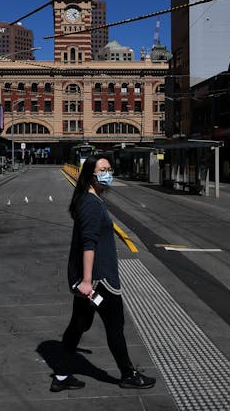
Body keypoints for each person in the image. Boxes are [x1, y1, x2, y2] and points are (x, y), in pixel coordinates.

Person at [50, 153, 156, 392]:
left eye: (110, 168)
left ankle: (62, 375)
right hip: (100, 283)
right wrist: (87, 281)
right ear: (90, 174)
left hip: (91, 282)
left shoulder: (90, 200)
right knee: (114, 325)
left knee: (79, 324)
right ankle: (128, 374)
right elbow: (89, 243)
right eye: (104, 169)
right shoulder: (90, 203)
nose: (109, 173)